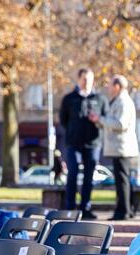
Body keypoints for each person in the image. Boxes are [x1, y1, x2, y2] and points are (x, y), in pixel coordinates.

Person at [59, 68, 108, 219]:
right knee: (72, 173)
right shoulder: (69, 99)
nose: (87, 82)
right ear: (79, 80)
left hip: (93, 143)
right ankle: (70, 207)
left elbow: (105, 118)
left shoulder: (100, 99)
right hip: (74, 144)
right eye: (84, 79)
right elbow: (63, 120)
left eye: (90, 79)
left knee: (88, 176)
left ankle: (85, 207)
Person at [89, 74, 139, 221]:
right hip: (120, 147)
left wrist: (100, 119)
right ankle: (127, 209)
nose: (108, 88)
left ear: (117, 86)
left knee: (122, 180)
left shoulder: (123, 101)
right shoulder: (119, 100)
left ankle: (123, 211)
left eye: (110, 85)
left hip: (122, 147)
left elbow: (120, 124)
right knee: (123, 179)